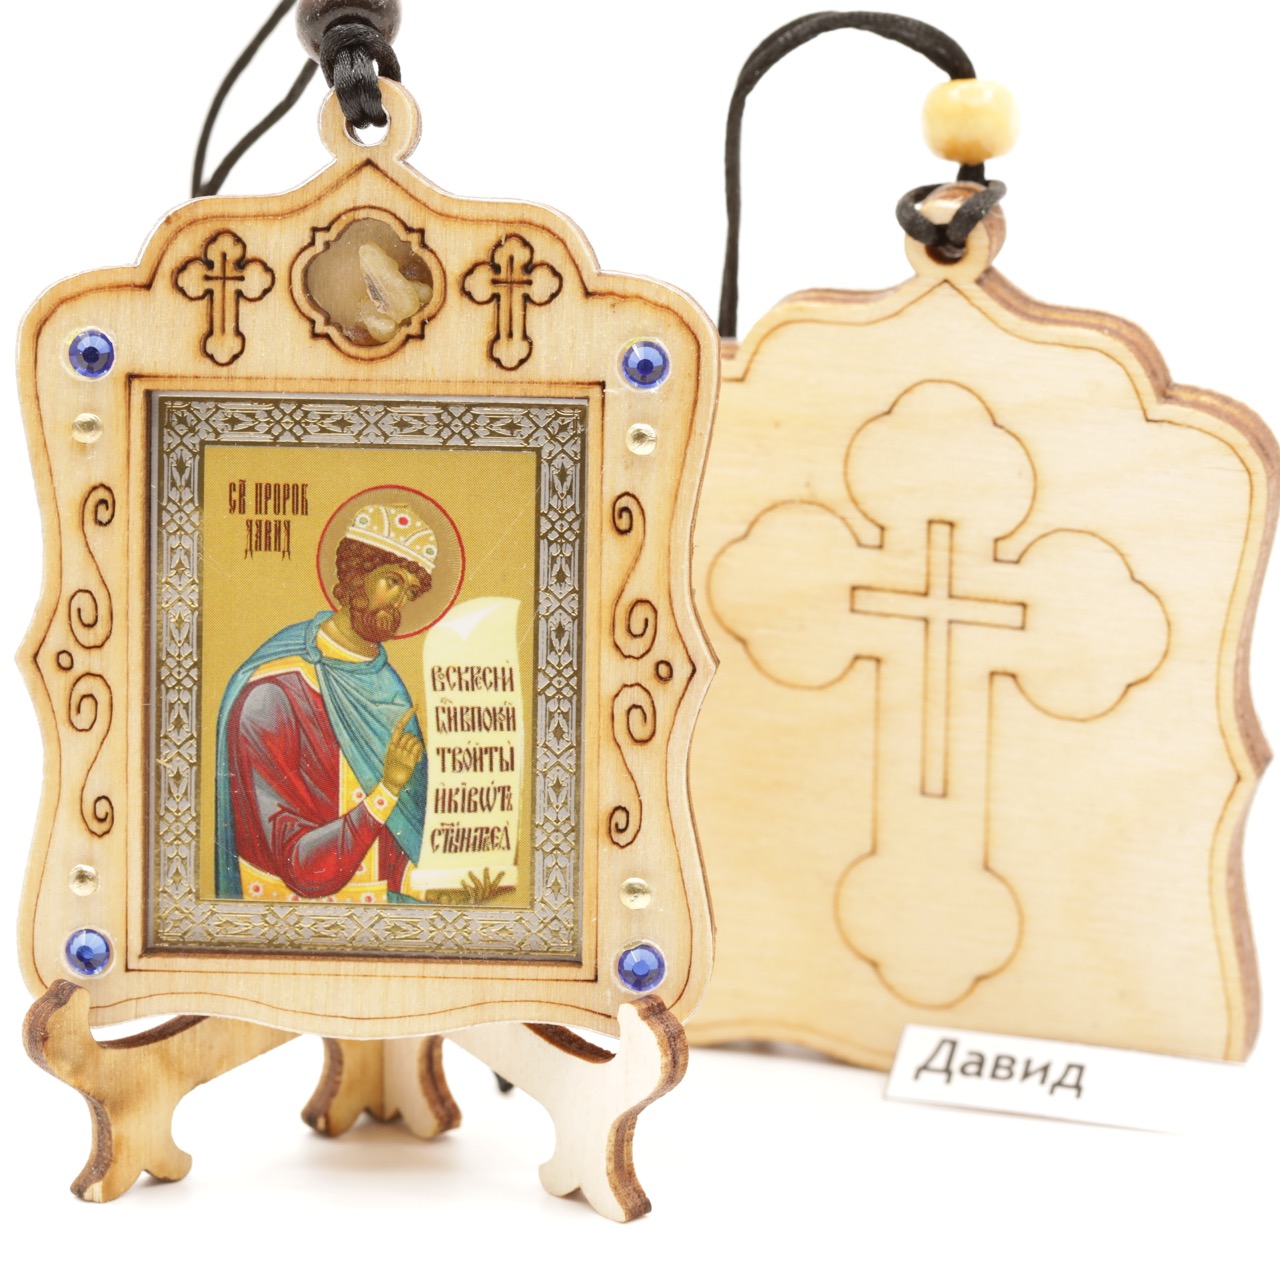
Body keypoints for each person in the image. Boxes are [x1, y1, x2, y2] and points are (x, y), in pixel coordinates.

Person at [214, 500, 435, 903]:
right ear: (355, 576)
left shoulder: (387, 687)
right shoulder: (274, 693)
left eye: (410, 592)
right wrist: (387, 788)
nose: (399, 602)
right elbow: (302, 866)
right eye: (392, 581)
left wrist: (435, 885)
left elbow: (400, 838)